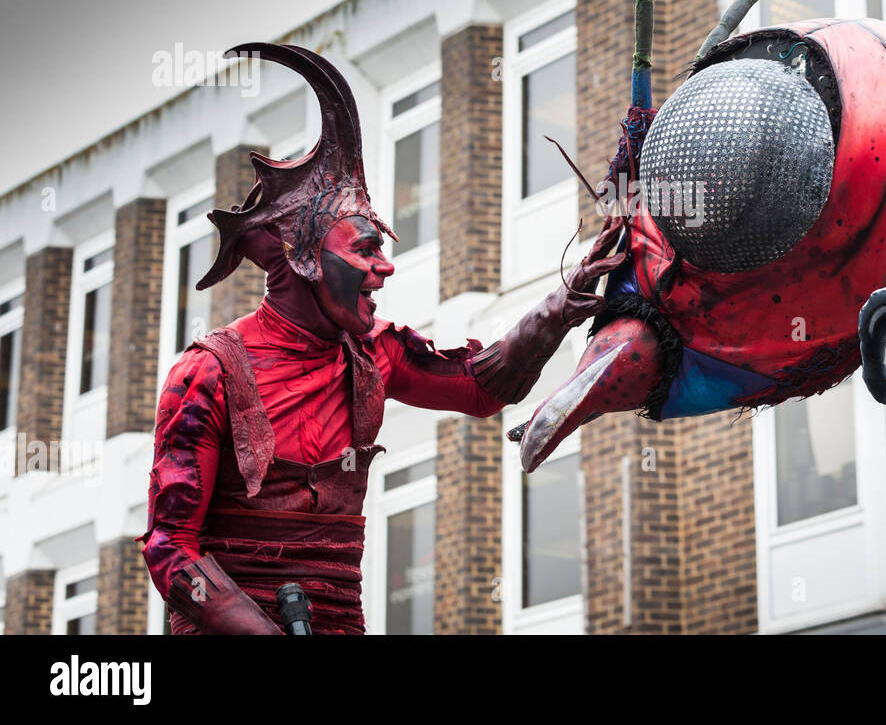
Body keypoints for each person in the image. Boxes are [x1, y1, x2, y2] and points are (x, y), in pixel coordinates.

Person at [137, 43, 621, 634]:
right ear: (307, 260)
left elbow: (481, 388)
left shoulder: (376, 353)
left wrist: (560, 307)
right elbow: (170, 547)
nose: (385, 269)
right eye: (365, 250)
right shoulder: (207, 373)